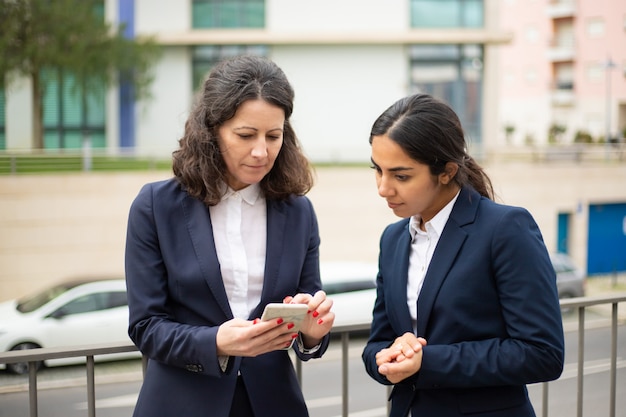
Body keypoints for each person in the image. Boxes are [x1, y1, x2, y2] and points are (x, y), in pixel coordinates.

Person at [125, 55, 334, 417]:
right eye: (245, 135)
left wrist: (314, 330)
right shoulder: (155, 206)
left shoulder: (298, 212)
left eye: (274, 136)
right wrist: (216, 342)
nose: (261, 151)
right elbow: (146, 326)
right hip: (181, 404)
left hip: (273, 404)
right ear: (211, 130)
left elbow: (306, 314)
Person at [361, 93, 564, 417]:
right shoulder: (393, 240)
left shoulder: (505, 229)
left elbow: (542, 353)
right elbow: (377, 343)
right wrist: (385, 358)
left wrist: (427, 362)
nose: (383, 188)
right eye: (377, 170)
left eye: (401, 176)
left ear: (446, 171)